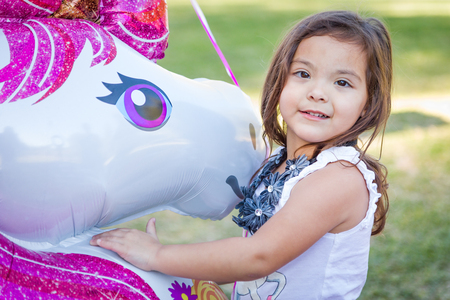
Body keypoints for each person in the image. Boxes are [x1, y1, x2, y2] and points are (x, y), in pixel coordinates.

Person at [90, 10, 392, 299]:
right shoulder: (282, 161)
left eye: (342, 82)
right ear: (280, 80)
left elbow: (257, 257)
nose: (317, 92)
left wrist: (157, 256)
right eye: (302, 73)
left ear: (368, 103)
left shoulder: (338, 178)